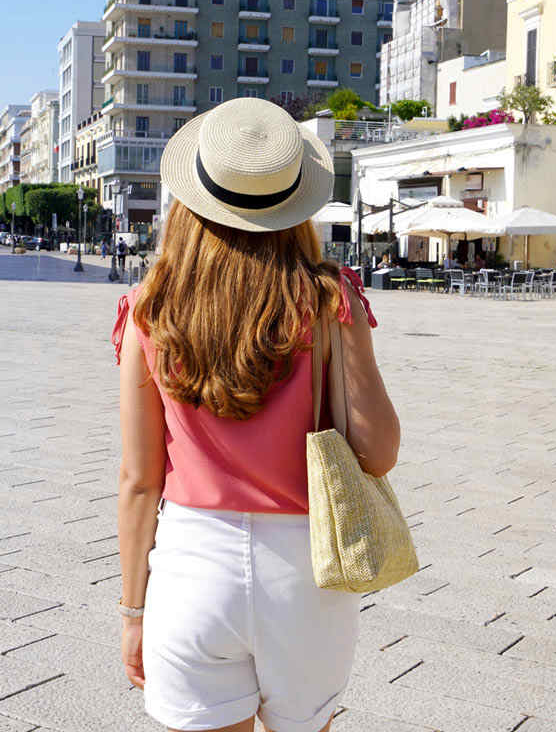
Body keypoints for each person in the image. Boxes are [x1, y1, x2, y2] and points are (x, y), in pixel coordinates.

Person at [113, 98, 400, 732]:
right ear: (297, 205)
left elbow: (140, 482)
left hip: (192, 569)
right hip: (307, 574)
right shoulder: (330, 302)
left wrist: (134, 613)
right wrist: (347, 320)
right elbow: (377, 452)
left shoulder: (148, 311)